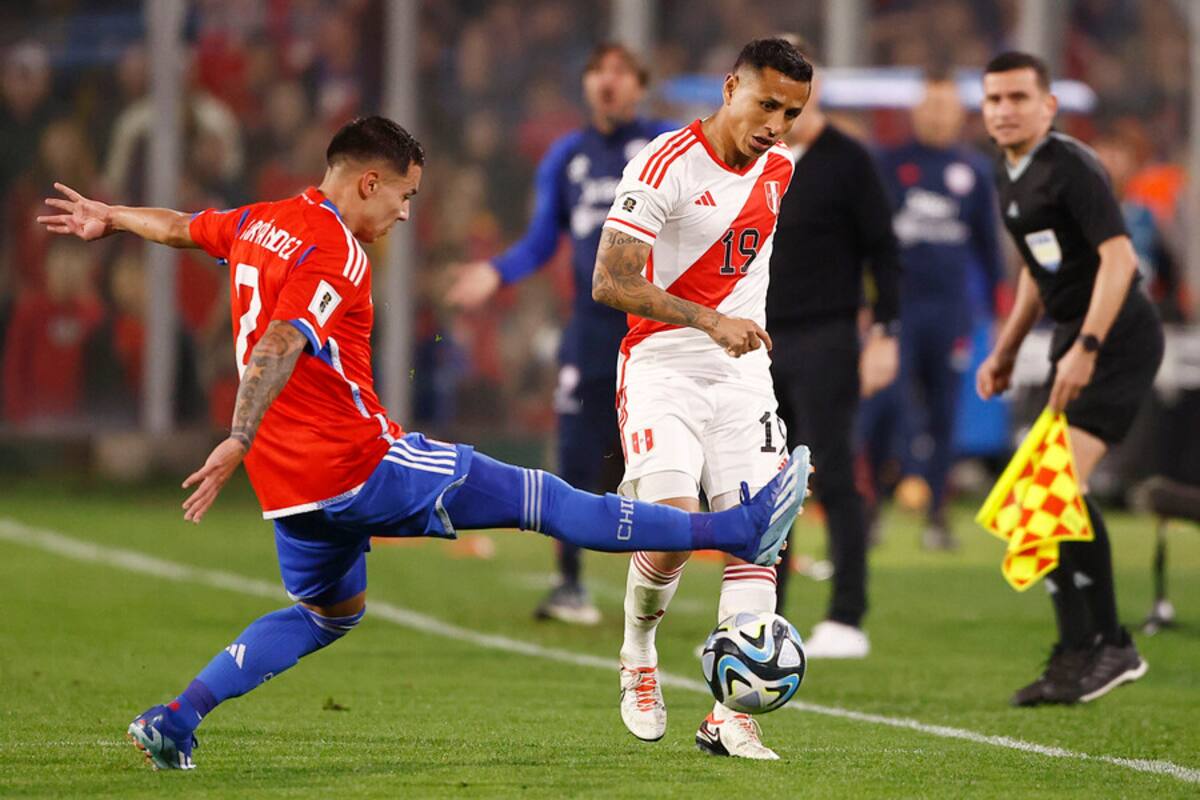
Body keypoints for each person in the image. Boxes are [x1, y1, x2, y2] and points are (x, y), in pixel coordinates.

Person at [36, 116, 808, 770]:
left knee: (327, 613)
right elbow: (279, 341)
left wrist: (112, 218)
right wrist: (236, 435)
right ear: (369, 182)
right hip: (357, 462)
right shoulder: (335, 249)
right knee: (541, 499)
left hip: (291, 485)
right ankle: (729, 530)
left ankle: (177, 716)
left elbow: (180, 227)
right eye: (405, 195)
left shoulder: (256, 220)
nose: (406, 214)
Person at [593, 38, 813, 760]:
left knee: (759, 534)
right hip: (662, 363)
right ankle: (638, 653)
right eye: (767, 104)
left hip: (743, 374)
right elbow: (611, 281)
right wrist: (710, 318)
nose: (777, 123)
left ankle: (730, 712)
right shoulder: (664, 164)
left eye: (792, 111)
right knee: (671, 526)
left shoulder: (781, 165)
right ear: (729, 88)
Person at [446, 43, 675, 625]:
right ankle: (570, 586)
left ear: (640, 85)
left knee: (663, 461)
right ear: (587, 83)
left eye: (621, 72)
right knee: (573, 455)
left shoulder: (666, 148)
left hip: (657, 330)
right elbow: (542, 240)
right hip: (589, 333)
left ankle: (662, 591)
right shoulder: (566, 157)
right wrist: (495, 272)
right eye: (599, 70)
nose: (608, 81)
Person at [976, 52, 1163, 706]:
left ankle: (1112, 644)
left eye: (1018, 97)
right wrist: (1004, 350)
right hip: (1070, 339)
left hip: (1116, 338)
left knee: (1058, 488)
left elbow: (1120, 259)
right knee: (1037, 500)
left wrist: (1086, 344)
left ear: (1047, 106)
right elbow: (1037, 267)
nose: (1004, 109)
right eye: (994, 98)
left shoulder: (1072, 166)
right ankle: (1074, 653)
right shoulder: (1007, 171)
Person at [766, 53, 901, 659]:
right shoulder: (759, 161)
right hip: (759, 342)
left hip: (828, 338)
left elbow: (885, 253)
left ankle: (847, 614)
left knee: (835, 476)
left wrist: (886, 334)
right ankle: (760, 616)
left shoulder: (849, 161)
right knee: (765, 482)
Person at [875, 73, 1002, 550]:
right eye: (930, 104)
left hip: (951, 313)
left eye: (946, 105)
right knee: (890, 406)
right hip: (900, 308)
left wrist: (997, 308)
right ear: (915, 110)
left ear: (960, 113)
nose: (937, 114)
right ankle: (877, 510)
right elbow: (873, 239)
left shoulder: (973, 171)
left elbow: (988, 247)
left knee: (946, 410)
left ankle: (937, 516)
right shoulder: (889, 163)